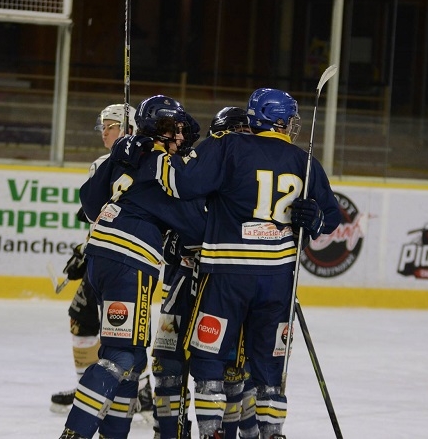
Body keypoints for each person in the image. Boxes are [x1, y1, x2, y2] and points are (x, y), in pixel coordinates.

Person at [116, 88, 341, 438]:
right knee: (269, 365)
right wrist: (313, 220)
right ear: (278, 119)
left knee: (209, 357)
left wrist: (151, 152)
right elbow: (330, 216)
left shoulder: (227, 146)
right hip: (278, 279)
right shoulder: (304, 160)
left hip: (227, 274)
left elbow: (181, 183)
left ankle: (211, 431)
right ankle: (272, 431)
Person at [59, 95, 206, 439]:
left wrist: (120, 158)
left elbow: (91, 204)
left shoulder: (124, 151)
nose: (181, 136)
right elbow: (194, 228)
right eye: (175, 128)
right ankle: (75, 432)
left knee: (134, 358)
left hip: (100, 256)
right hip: (131, 263)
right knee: (122, 357)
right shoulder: (164, 165)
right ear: (160, 128)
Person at [150, 106, 257, 439]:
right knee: (167, 369)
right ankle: (168, 434)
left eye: (247, 134)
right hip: (182, 285)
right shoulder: (196, 170)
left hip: (224, 287)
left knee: (232, 372)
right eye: (232, 133)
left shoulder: (253, 185)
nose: (240, 142)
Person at [50, 104, 147, 414]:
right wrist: (84, 250)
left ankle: (140, 393)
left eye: (112, 126)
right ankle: (85, 390)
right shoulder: (101, 164)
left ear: (129, 128)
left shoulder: (148, 163)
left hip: (128, 261)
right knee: (82, 320)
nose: (104, 132)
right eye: (102, 126)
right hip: (101, 258)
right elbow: (98, 217)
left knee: (122, 331)